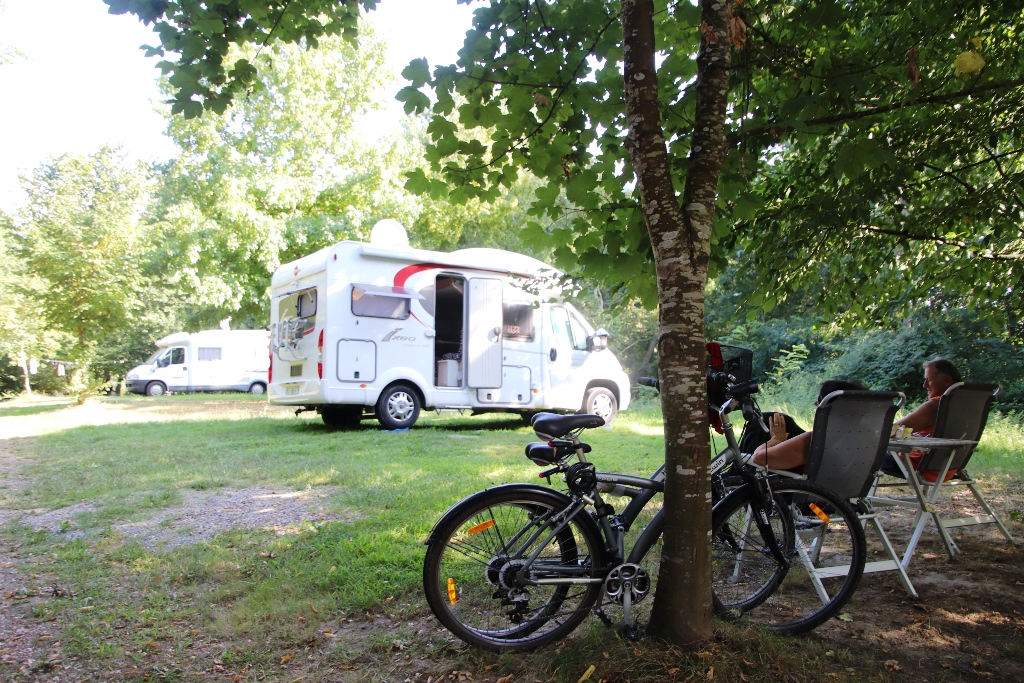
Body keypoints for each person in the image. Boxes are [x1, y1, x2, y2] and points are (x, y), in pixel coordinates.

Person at [748, 380, 867, 472]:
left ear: (831, 408)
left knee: (758, 422)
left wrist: (776, 439)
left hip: (803, 498)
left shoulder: (817, 441)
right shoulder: (865, 437)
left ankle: (736, 476)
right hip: (837, 495)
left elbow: (758, 458)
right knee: (783, 421)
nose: (815, 403)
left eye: (820, 400)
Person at [880, 357, 962, 481]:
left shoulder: (937, 405)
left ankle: (847, 497)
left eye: (929, 380)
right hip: (948, 468)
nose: (924, 386)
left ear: (947, 380)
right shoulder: (966, 405)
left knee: (864, 452)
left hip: (917, 466)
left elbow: (891, 431)